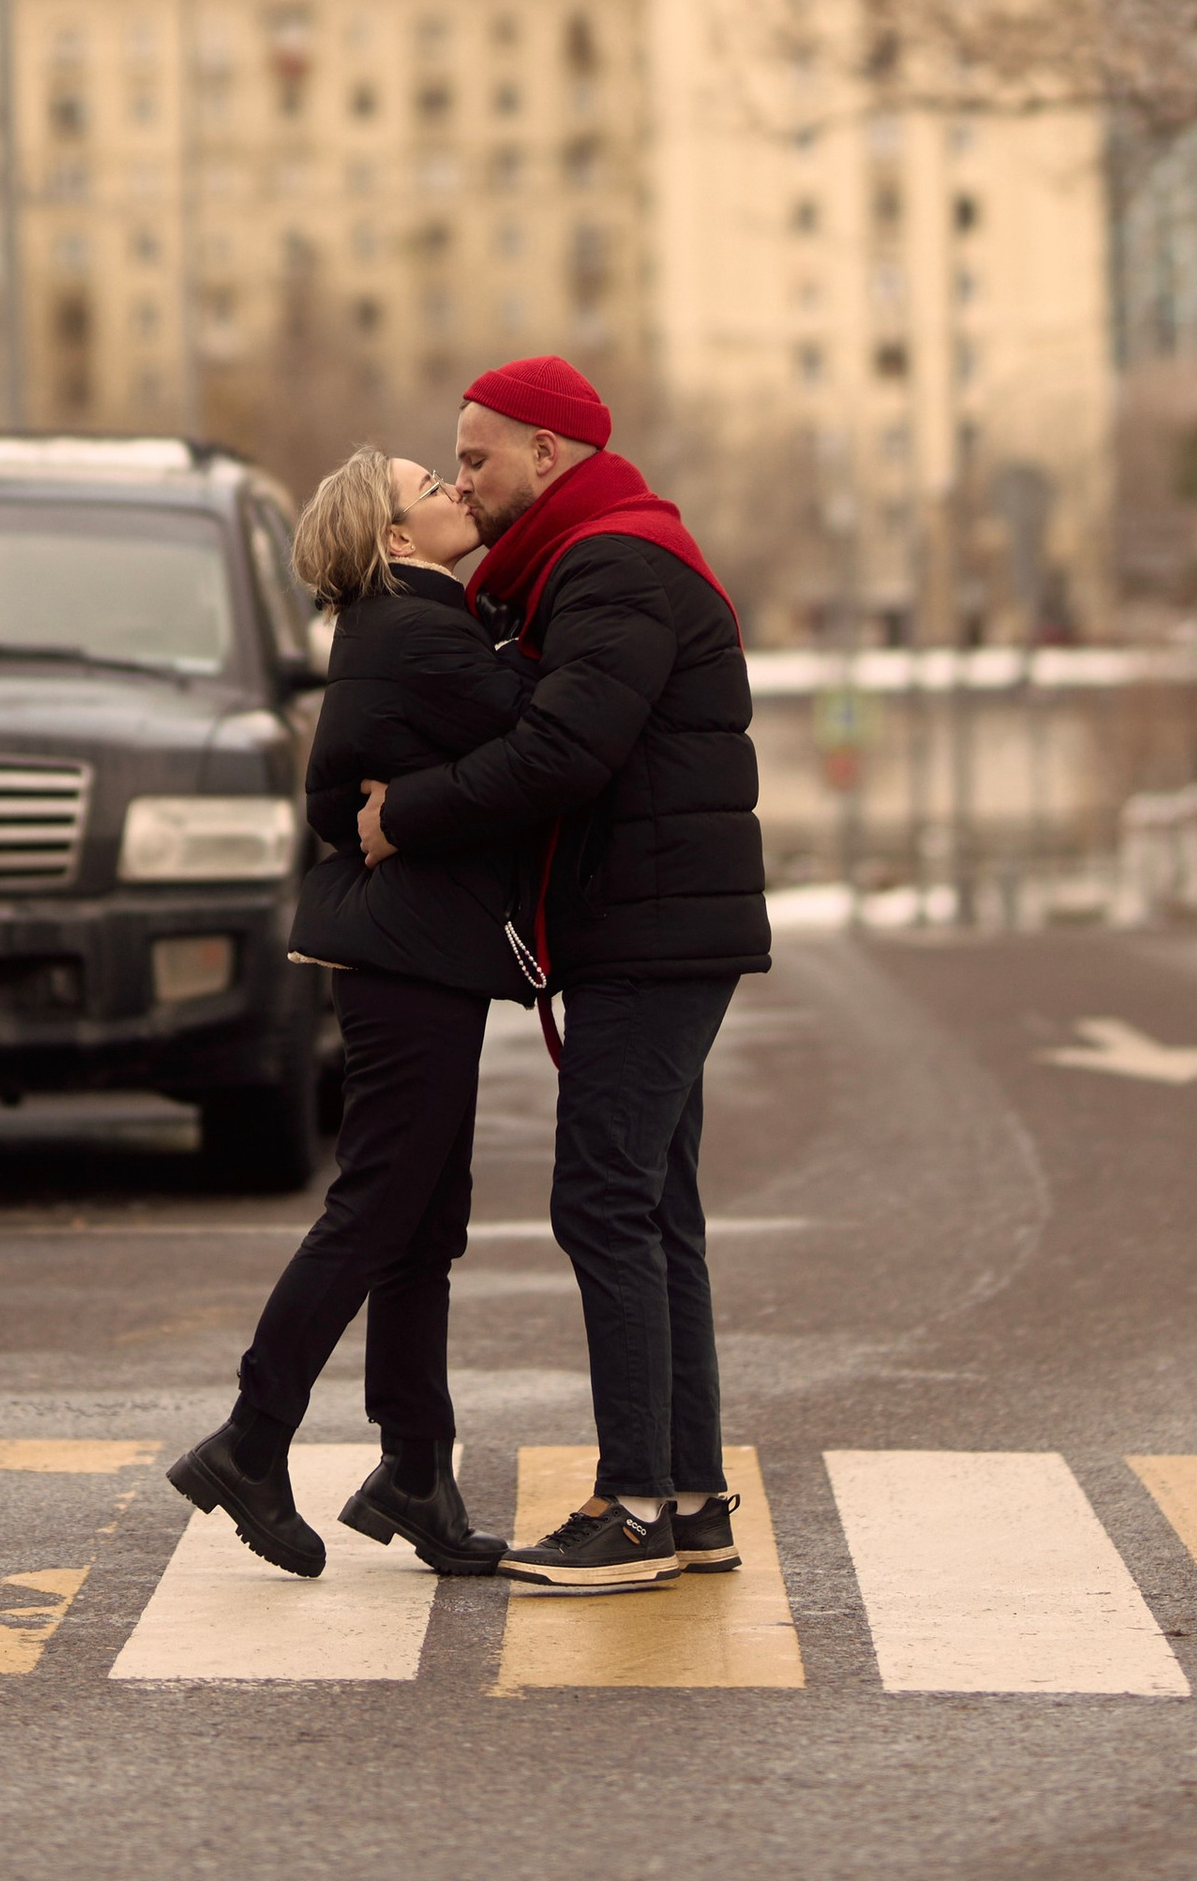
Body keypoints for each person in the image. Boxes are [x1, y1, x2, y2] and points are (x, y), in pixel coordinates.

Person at [358, 355, 767, 1594]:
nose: (464, 477)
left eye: (477, 456)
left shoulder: (612, 564)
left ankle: (632, 1506)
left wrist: (402, 816)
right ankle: (688, 1501)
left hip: (652, 931)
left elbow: (562, 752)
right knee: (651, 1209)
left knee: (600, 1198)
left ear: (550, 453)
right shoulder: (585, 561)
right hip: (647, 924)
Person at [167, 446, 531, 1581]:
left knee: (421, 1219)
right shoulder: (418, 630)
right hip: (410, 959)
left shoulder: (391, 630)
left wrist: (397, 808)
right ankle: (252, 1437)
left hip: (410, 953)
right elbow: (545, 733)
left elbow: (334, 792)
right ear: (392, 539)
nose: (453, 494)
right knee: (379, 1207)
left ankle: (416, 1471)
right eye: (432, 488)